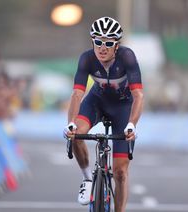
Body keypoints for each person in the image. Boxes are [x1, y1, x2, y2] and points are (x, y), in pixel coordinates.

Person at [63, 16, 144, 212]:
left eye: (108, 43)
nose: (102, 47)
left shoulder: (127, 57)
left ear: (117, 45)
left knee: (120, 172)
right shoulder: (87, 58)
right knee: (76, 135)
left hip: (122, 107)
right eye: (98, 42)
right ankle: (88, 179)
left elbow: (138, 95)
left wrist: (132, 124)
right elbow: (77, 94)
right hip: (96, 102)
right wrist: (71, 124)